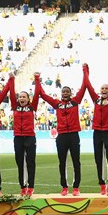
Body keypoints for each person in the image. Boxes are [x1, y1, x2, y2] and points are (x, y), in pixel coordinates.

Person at [37, 65, 87, 196]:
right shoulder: (57, 104)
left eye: (67, 92)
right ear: (61, 94)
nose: (65, 93)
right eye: (63, 92)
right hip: (62, 137)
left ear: (71, 93)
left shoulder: (76, 102)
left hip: (74, 135)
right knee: (62, 162)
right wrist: (37, 79)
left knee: (76, 161)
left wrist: (85, 71)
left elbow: (84, 87)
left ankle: (76, 187)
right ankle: (64, 187)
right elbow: (42, 94)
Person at [85, 60, 108, 196]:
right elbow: (88, 86)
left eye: (107, 89)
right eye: (103, 89)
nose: (104, 90)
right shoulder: (96, 100)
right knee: (98, 159)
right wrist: (85, 70)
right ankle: (101, 184)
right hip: (97, 133)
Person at [10, 73, 40, 196]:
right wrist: (11, 79)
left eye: (24, 97)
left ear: (28, 99)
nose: (22, 98)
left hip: (30, 137)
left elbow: (37, 94)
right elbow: (11, 93)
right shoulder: (14, 107)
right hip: (18, 138)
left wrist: (37, 79)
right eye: (20, 97)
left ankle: (31, 187)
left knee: (30, 162)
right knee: (20, 163)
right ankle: (23, 187)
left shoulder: (32, 107)